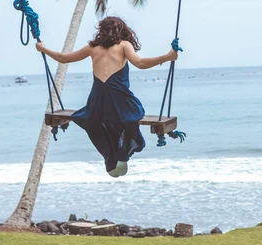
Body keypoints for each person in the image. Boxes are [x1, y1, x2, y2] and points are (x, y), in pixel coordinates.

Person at [36, 16, 179, 178]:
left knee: (94, 122)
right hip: (121, 100)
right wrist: (166, 58)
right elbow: (140, 63)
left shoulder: (92, 47)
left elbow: (64, 58)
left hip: (98, 102)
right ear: (123, 30)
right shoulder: (124, 45)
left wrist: (44, 49)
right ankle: (122, 153)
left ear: (101, 30)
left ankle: (111, 156)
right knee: (130, 117)